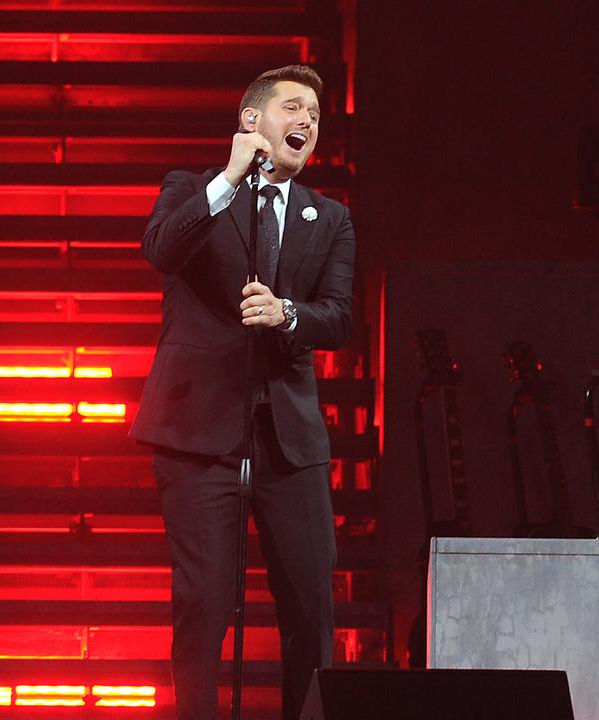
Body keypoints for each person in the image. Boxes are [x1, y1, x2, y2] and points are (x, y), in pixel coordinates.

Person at [129, 65, 355, 720]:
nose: (307, 122)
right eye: (293, 108)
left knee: (312, 611)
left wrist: (287, 314)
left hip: (290, 439)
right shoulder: (193, 190)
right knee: (203, 606)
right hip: (198, 433)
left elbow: (338, 316)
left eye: (315, 114)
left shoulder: (330, 217)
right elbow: (159, 252)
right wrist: (229, 181)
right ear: (252, 120)